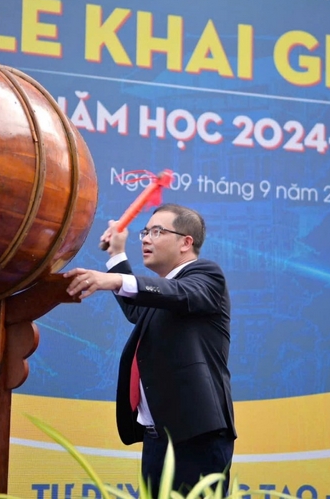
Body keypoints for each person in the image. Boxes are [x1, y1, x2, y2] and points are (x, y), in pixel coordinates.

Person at [65, 203, 237, 495]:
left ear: (186, 242)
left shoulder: (206, 276)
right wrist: (117, 255)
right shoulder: (163, 292)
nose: (145, 239)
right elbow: (138, 309)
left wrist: (115, 279)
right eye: (145, 232)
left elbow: (178, 292)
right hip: (157, 438)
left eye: (157, 232)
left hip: (195, 435)